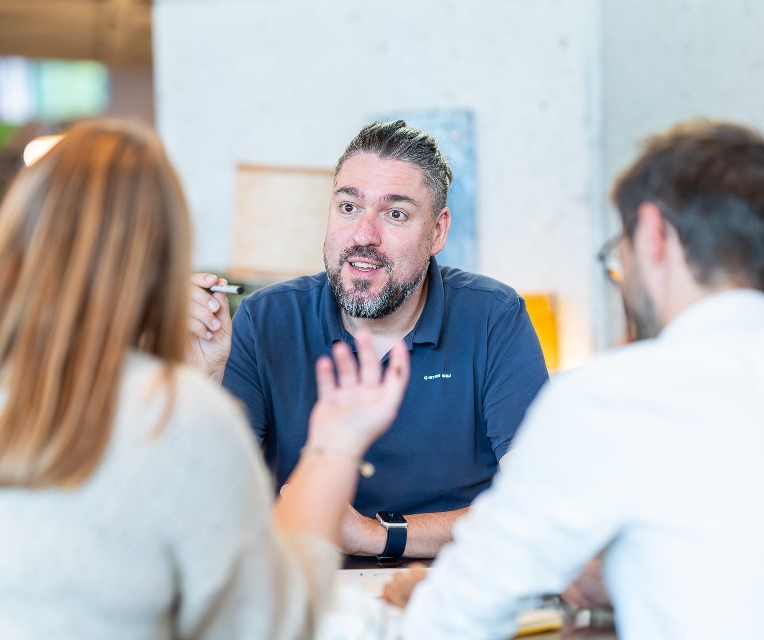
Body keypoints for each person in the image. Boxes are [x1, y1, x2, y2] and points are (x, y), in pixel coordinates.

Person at [0, 119, 411, 639]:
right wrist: (333, 451)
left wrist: (197, 379)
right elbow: (273, 626)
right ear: (162, 255)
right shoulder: (179, 420)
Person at [384, 120, 764, 639]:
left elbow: (451, 618)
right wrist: (630, 579)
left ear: (652, 235)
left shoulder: (611, 399)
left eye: (619, 248)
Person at [190, 120, 549, 560]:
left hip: (448, 592)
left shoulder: (494, 316)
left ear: (437, 232)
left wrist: (376, 535)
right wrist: (202, 379)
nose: (363, 236)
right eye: (348, 207)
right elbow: (207, 511)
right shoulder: (264, 319)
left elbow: (539, 504)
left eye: (395, 214)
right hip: (303, 601)